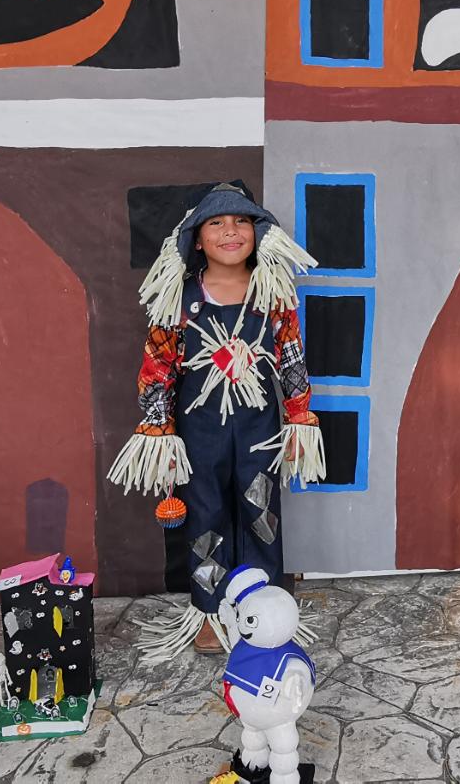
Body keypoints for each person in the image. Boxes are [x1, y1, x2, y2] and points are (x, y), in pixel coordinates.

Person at [108, 183, 326, 658]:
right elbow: (158, 368)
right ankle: (209, 611)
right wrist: (158, 431)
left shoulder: (273, 294)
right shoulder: (179, 297)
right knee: (205, 515)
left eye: (241, 221)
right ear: (197, 238)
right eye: (217, 223)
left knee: (260, 512)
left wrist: (299, 416)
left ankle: (263, 608)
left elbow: (292, 358)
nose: (231, 231)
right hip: (199, 431)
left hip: (259, 429)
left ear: (258, 232)